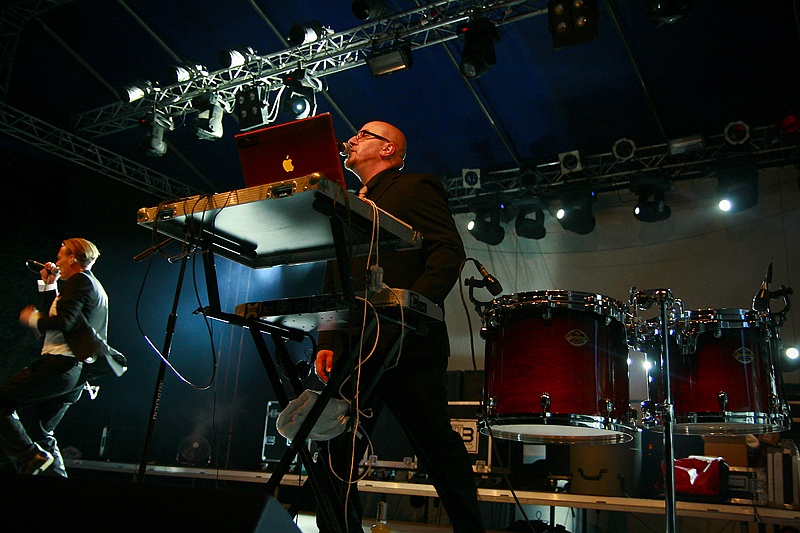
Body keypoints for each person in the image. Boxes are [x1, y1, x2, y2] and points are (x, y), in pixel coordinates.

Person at [313, 122, 485, 531]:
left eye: (362, 134)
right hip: (356, 345)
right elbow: (334, 275)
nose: (351, 139)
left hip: (408, 342)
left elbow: (447, 251)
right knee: (336, 449)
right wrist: (327, 337)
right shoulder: (348, 201)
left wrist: (413, 309)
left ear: (388, 149)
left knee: (437, 449)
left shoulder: (416, 186)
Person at [2, 238, 122, 477]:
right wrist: (50, 285)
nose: (55, 262)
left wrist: (33, 319)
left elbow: (62, 323)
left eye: (59, 257)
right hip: (73, 374)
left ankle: (29, 456)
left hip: (59, 366)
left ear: (72, 258)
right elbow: (59, 319)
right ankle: (55, 475)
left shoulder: (80, 282)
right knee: (40, 431)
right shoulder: (89, 284)